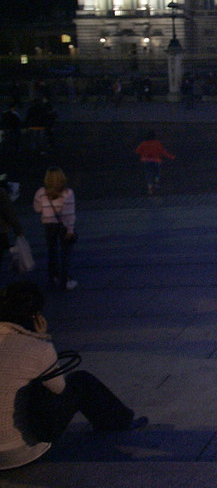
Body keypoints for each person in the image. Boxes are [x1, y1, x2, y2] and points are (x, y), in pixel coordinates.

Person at [0, 282, 147, 470]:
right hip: (17, 453)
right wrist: (40, 338)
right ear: (36, 317)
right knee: (79, 381)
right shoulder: (38, 348)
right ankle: (120, 421)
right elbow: (58, 388)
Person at [32, 168, 76, 291]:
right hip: (63, 225)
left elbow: (37, 209)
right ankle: (66, 280)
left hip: (48, 224)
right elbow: (69, 213)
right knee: (65, 253)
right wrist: (70, 229)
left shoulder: (41, 192)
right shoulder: (68, 193)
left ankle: (53, 277)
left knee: (52, 251)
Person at [135, 130, 175, 195]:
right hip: (156, 161)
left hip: (146, 161)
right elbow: (163, 152)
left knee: (148, 174)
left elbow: (137, 151)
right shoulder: (157, 143)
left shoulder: (143, 143)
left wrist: (144, 154)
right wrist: (171, 157)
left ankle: (150, 189)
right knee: (157, 173)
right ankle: (157, 183)